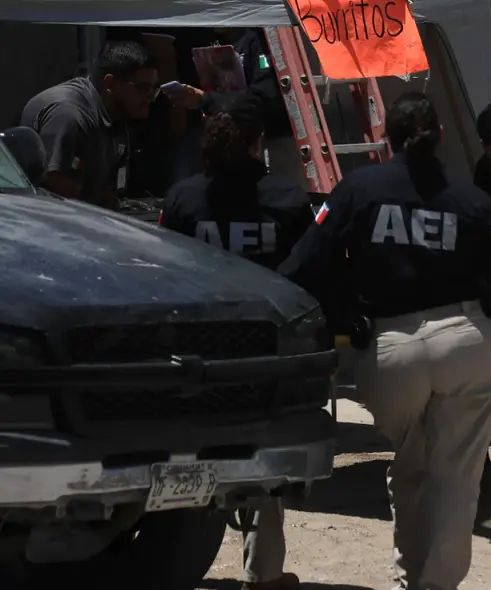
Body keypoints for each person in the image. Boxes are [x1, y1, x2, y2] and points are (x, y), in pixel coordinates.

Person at [278, 92, 491, 590]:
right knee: (456, 479)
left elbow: (304, 266)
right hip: (467, 341)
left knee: (411, 464)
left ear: (384, 137)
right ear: (442, 137)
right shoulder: (471, 199)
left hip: (391, 346)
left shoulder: (359, 189)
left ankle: (410, 579)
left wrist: (344, 315)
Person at [159, 94, 314, 590]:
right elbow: (308, 274)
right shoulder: (288, 199)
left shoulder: (184, 198)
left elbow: (164, 272)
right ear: (257, 142)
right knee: (261, 463)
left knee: (182, 460)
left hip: (195, 353)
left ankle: (167, 565)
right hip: (263, 354)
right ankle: (263, 574)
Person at [20, 40, 159, 209]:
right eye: (143, 88)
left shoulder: (117, 117)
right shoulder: (69, 115)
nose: (151, 97)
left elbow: (108, 192)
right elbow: (58, 188)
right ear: (110, 84)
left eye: (154, 88)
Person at [162, 28, 306, 189]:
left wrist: (205, 99)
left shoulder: (259, 39)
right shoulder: (211, 39)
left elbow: (265, 94)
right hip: (228, 145)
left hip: (267, 141)